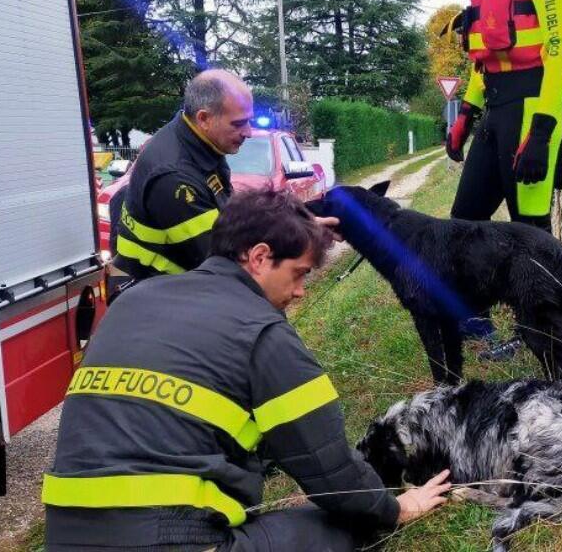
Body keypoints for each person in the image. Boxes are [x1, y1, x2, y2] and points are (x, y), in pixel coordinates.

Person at [42, 188, 452, 550]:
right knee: (342, 525)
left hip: (64, 536)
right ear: (259, 257)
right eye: (299, 274)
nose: (299, 292)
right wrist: (395, 507)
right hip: (176, 539)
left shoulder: (132, 301)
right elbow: (334, 476)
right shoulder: (264, 335)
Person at [445, 0, 562, 360]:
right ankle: (475, 323)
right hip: (497, 107)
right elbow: (487, 55)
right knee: (464, 221)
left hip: (535, 106)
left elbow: (557, 49)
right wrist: (467, 111)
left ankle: (548, 343)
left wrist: (544, 131)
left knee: (532, 233)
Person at [112, 69, 254, 283]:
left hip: (173, 285)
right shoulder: (175, 177)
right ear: (204, 118)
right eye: (238, 123)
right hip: (157, 295)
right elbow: (222, 262)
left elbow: (229, 218)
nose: (248, 132)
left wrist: (296, 226)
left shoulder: (201, 143)